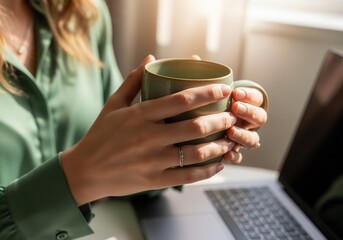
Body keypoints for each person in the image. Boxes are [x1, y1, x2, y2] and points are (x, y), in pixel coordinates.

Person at [0, 0, 267, 239]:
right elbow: (99, 168)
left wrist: (201, 130)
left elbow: (124, 163)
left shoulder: (81, 12)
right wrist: (75, 179)